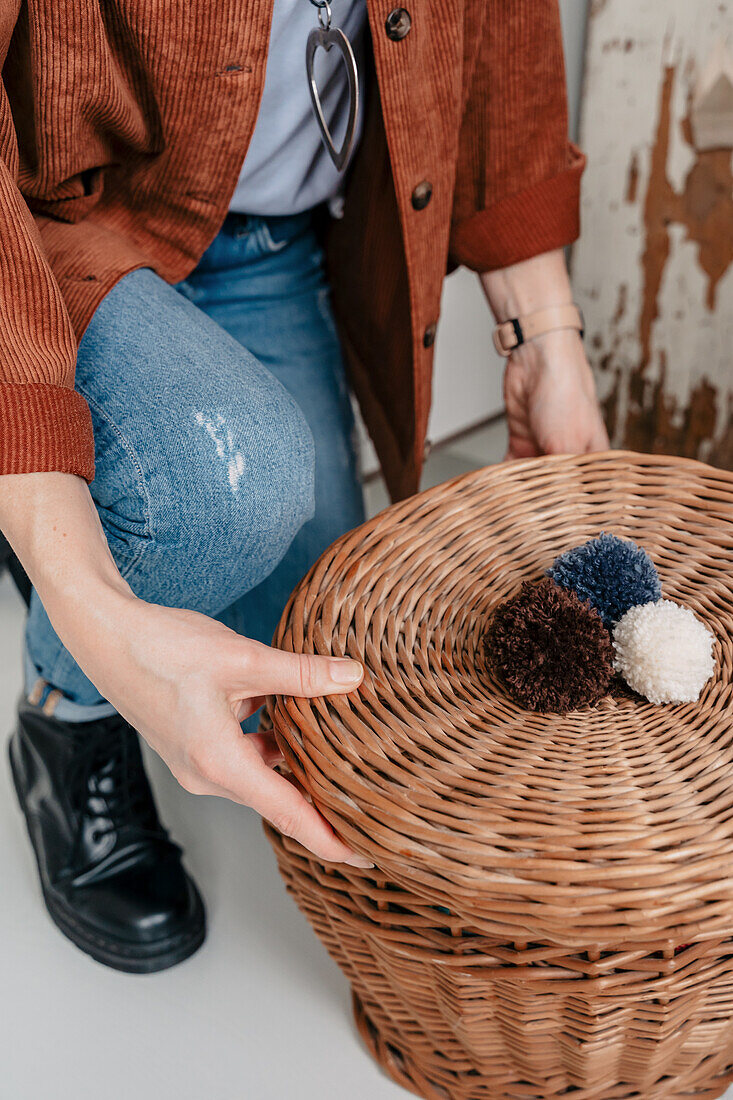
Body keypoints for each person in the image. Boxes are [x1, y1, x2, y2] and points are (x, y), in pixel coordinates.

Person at [0, 0, 608, 973]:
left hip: (272, 244)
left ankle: (106, 496)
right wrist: (88, 602)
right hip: (59, 224)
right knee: (230, 486)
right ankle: (59, 720)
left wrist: (545, 332)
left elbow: (496, 24)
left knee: (325, 656)